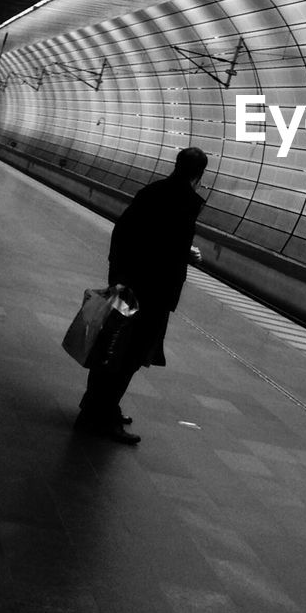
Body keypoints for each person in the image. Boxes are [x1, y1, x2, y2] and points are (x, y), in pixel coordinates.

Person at [74, 146, 208, 444]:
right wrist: (186, 255)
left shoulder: (153, 192)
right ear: (199, 174)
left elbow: (130, 234)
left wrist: (118, 278)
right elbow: (164, 248)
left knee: (111, 350)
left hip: (130, 285)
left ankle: (95, 407)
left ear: (177, 164)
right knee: (127, 357)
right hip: (151, 294)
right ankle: (102, 417)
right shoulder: (184, 203)